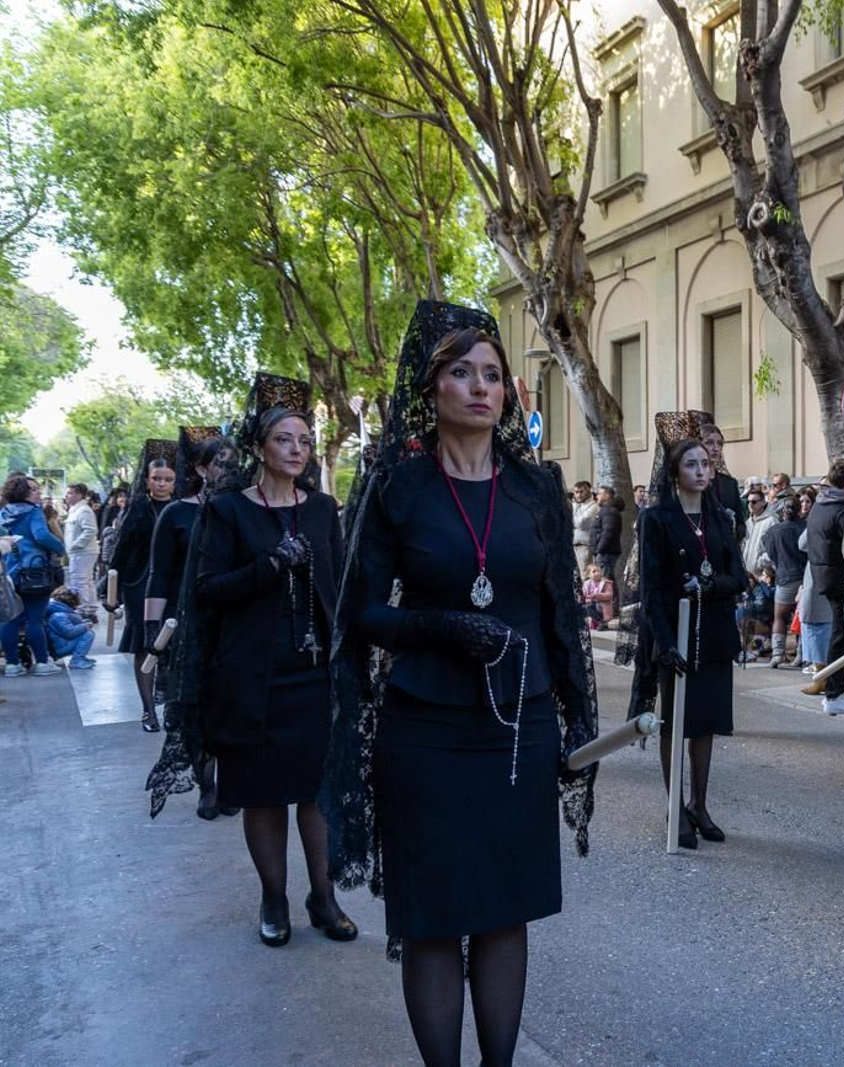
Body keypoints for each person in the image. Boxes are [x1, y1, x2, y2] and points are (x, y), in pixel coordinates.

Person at [325, 303, 598, 1066]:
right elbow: (364, 615)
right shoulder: (397, 487)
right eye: (460, 372)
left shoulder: (537, 488)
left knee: (505, 909)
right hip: (426, 728)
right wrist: (443, 626)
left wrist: (577, 713)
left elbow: (561, 610)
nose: (481, 388)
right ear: (431, 385)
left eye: (491, 374)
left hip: (519, 725)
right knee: (437, 914)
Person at [182, 375, 356, 953]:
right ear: (260, 447)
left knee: (316, 791)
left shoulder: (324, 509)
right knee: (262, 794)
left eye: (305, 439)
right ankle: (274, 897)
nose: (298, 449)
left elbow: (339, 589)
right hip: (251, 678)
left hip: (314, 675)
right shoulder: (229, 512)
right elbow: (207, 590)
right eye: (285, 439)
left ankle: (323, 896)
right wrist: (270, 566)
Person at [634, 426, 745, 849]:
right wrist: (664, 643)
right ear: (675, 471)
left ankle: (700, 804)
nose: (702, 470)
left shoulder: (721, 517)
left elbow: (738, 577)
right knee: (675, 723)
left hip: (714, 632)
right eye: (692, 464)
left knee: (707, 723)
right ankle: (675, 806)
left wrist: (710, 586)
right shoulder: (657, 518)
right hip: (674, 635)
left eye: (706, 463)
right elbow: (650, 588)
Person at [146, 427, 233, 819]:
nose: (229, 469)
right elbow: (160, 574)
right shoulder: (177, 513)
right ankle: (207, 785)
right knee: (195, 706)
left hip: (233, 620)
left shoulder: (241, 508)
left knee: (231, 703)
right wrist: (154, 631)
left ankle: (232, 782)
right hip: (187, 625)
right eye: (220, 463)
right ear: (201, 468)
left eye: (235, 462)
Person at [110, 440, 179, 729]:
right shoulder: (138, 509)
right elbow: (121, 551)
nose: (162, 484)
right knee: (145, 645)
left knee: (175, 643)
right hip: (140, 583)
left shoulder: (183, 508)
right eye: (156, 479)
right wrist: (110, 593)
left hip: (174, 583)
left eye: (168, 479)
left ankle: (173, 707)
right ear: (147, 480)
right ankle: (148, 710)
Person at [807, 458, 844, 712]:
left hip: (825, 575)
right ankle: (833, 693)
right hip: (840, 578)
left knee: (842, 632)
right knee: (842, 635)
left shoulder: (820, 505)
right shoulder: (843, 509)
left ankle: (832, 690)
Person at [2, 473, 68, 677]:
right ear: (23, 492)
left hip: (9, 571)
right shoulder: (33, 512)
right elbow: (41, 535)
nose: (38, 491)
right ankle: (41, 662)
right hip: (34, 571)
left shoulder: (4, 513)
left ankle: (12, 664)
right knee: (34, 619)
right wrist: (59, 546)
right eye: (34, 488)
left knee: (10, 618)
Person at [761, 496, 806, 668]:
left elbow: (770, 554)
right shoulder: (805, 527)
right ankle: (801, 654)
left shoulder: (773, 531)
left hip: (784, 577)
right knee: (803, 618)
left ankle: (777, 654)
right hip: (804, 577)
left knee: (780, 616)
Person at [700, 423, 748, 545]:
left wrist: (734, 530)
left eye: (719, 443)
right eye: (709, 443)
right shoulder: (691, 482)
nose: (716, 448)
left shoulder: (729, 483)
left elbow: (741, 521)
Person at [62, 483, 98, 600]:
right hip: (79, 552)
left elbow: (90, 530)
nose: (66, 496)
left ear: (79, 495)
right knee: (84, 581)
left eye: (70, 493)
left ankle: (85, 609)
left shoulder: (83, 510)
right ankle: (88, 608)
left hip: (83, 552)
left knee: (80, 582)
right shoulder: (75, 510)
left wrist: (75, 546)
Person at [44, 586, 96, 669]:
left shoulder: (56, 611)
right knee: (88, 634)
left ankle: (80, 658)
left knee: (86, 633)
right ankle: (77, 660)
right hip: (60, 647)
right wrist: (85, 626)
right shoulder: (59, 615)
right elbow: (69, 632)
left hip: (58, 645)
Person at [739, 564, 776, 658]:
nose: (748, 582)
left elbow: (760, 605)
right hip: (755, 619)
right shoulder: (745, 591)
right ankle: (745, 649)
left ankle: (752, 650)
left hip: (765, 621)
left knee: (748, 622)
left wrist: (747, 605)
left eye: (750, 580)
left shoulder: (759, 589)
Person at [590, 484, 622, 580]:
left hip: (606, 552)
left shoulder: (609, 511)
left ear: (607, 496)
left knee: (604, 580)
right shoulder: (606, 510)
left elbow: (608, 532)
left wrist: (599, 549)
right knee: (608, 579)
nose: (596, 496)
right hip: (605, 552)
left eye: (599, 494)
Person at [743, 486, 775, 577]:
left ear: (763, 502)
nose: (750, 505)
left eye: (754, 502)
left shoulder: (771, 521)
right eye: (748, 502)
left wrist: (758, 563)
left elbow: (773, 549)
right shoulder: (748, 522)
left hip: (762, 575)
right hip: (747, 574)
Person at [570, 480, 598, 570]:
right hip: (572, 545)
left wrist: (570, 519)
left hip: (585, 546)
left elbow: (582, 523)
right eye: (576, 492)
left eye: (581, 492)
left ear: (588, 491)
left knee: (585, 576)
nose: (578, 495)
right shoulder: (573, 505)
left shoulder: (594, 506)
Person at [581, 562, 615, 628]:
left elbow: (609, 595)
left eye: (598, 571)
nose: (597, 573)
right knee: (586, 607)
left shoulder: (606, 582)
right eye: (594, 571)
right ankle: (599, 622)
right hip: (591, 604)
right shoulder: (586, 584)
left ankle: (602, 622)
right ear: (588, 575)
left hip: (602, 604)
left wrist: (596, 595)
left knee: (592, 606)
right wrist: (586, 598)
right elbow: (584, 595)